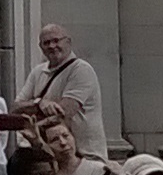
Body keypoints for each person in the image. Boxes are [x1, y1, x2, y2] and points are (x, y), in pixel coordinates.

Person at [12, 23, 108, 161]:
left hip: (85, 157)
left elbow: (62, 114)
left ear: (68, 42)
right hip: (52, 158)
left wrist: (30, 123)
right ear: (41, 47)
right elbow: (14, 108)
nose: (52, 46)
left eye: (56, 40)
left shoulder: (81, 70)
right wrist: (39, 103)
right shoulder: (37, 72)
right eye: (46, 43)